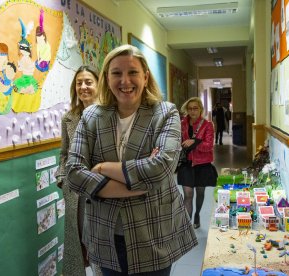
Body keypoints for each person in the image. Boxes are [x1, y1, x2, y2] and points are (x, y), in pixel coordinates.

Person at [65, 44, 197, 276]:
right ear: (107, 78)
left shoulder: (165, 113)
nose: (125, 81)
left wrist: (104, 168)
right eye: (116, 73)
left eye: (133, 72)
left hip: (153, 233)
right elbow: (74, 173)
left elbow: (161, 168)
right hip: (105, 234)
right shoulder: (91, 116)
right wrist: (133, 187)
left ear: (145, 77)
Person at [55, 65, 102, 276]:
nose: (83, 87)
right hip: (76, 192)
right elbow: (64, 153)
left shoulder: (110, 113)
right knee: (79, 241)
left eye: (88, 82)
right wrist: (62, 178)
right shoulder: (69, 118)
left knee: (102, 242)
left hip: (104, 189)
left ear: (99, 84)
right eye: (79, 83)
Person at [177, 97, 218, 229]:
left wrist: (194, 142)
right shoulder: (181, 124)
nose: (192, 111)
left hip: (202, 165)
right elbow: (177, 141)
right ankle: (186, 227)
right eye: (190, 108)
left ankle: (197, 214)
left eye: (195, 108)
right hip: (186, 164)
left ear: (200, 109)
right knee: (188, 195)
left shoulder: (207, 125)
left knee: (200, 193)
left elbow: (208, 146)